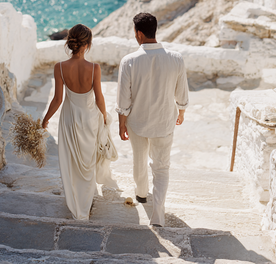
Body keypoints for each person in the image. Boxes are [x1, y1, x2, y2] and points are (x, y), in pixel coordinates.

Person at [116, 12, 189, 227]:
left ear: (138, 34)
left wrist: (121, 122)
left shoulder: (129, 61)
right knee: (162, 167)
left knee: (139, 160)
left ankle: (140, 195)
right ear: (154, 30)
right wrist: (181, 111)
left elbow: (123, 98)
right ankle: (158, 214)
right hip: (165, 121)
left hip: (137, 122)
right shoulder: (175, 58)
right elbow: (181, 93)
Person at [42, 23, 117, 220]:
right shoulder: (94, 69)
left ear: (70, 43)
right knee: (88, 160)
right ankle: (86, 200)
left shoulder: (60, 67)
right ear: (88, 45)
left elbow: (58, 99)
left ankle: (75, 199)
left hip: (69, 118)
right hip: (89, 118)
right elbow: (99, 97)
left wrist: (46, 119)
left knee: (70, 161)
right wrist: (104, 116)